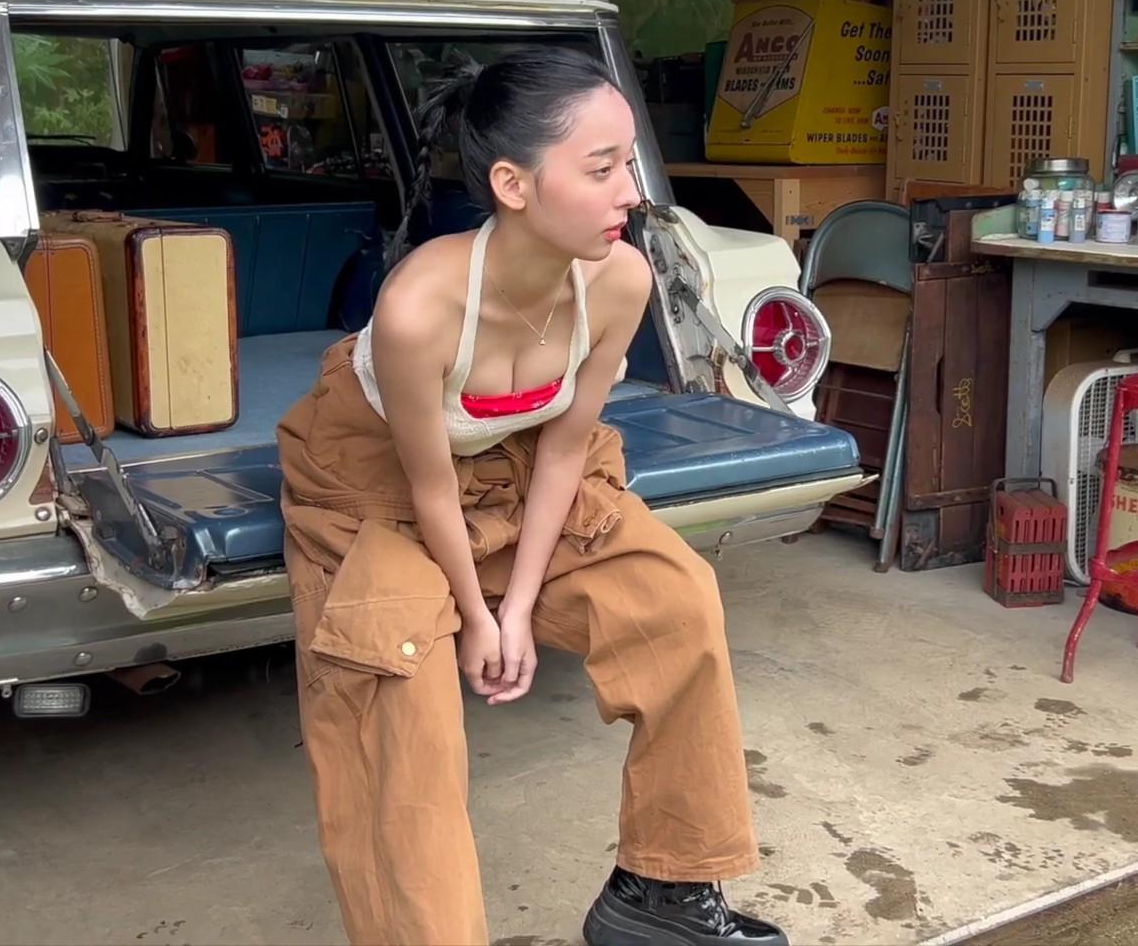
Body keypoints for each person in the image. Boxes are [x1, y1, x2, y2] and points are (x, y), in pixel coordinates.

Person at [276, 46, 787, 946]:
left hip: (517, 463)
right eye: (602, 169)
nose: (632, 191)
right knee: (401, 698)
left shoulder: (620, 279)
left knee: (674, 600)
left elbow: (563, 451)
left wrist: (518, 608)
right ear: (513, 185)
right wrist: (478, 620)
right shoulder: (418, 309)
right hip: (376, 481)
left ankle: (661, 896)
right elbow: (429, 488)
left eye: (629, 162)